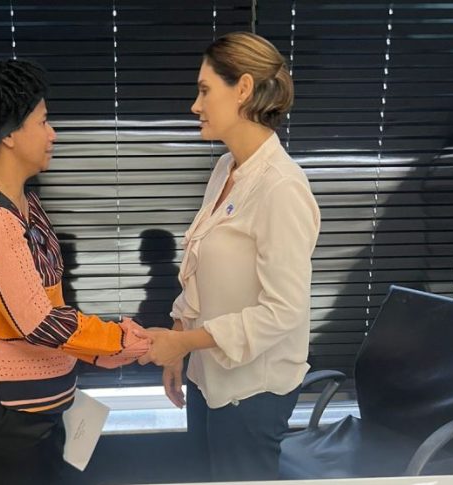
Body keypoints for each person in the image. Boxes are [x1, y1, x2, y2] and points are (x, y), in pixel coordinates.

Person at [0, 59, 150, 485]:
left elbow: (45, 305)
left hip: (32, 408)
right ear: (8, 133)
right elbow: (37, 321)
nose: (52, 134)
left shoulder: (22, 202)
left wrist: (97, 352)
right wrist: (120, 340)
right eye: (43, 121)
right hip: (4, 414)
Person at [137, 32, 321, 481]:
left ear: (243, 89)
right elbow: (199, 266)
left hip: (252, 392)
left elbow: (283, 311)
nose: (194, 105)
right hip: (209, 376)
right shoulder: (227, 169)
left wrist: (184, 343)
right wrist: (179, 341)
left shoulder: (282, 188)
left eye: (204, 91)